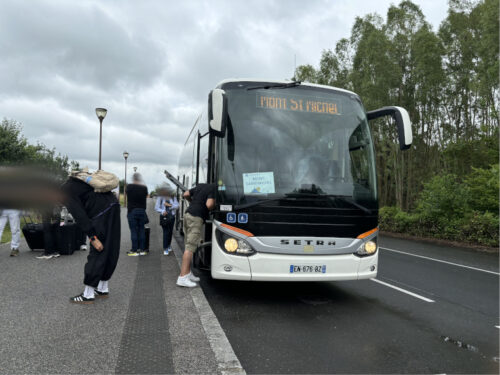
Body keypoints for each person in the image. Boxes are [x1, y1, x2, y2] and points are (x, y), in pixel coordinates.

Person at [62, 173, 121, 304]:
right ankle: (102, 288)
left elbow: (80, 215)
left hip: (100, 213)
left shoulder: (65, 191)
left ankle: (88, 294)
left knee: (98, 251)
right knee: (111, 247)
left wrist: (92, 237)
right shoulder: (76, 182)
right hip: (113, 206)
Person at [177, 183, 216, 288]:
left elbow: (185, 194)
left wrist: (192, 202)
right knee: (190, 247)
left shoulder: (201, 186)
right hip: (196, 217)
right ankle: (182, 277)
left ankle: (188, 273)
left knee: (188, 246)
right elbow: (209, 204)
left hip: (187, 214)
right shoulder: (214, 188)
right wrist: (214, 205)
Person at [125, 173, 148, 256]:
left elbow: (127, 193)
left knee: (134, 230)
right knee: (141, 230)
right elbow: (146, 195)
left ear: (133, 178)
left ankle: (134, 250)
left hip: (132, 211)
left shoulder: (129, 187)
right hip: (142, 211)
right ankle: (142, 250)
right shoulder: (144, 187)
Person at [155, 186, 179, 255]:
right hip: (164, 217)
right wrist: (162, 211)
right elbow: (156, 207)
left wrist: (169, 205)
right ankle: (165, 248)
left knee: (170, 232)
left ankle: (168, 245)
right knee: (166, 232)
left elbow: (177, 205)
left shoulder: (173, 197)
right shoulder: (161, 197)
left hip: (172, 217)